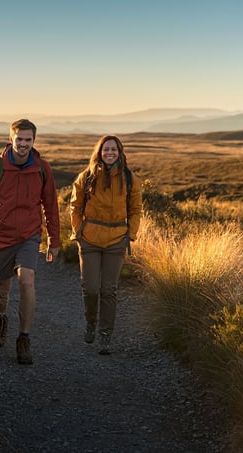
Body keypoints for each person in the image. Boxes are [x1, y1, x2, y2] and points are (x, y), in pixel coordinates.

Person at [0, 118, 60, 365]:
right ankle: (1, 319)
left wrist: (54, 240)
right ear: (11, 139)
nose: (23, 144)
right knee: (2, 287)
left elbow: (51, 207)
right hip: (1, 236)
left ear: (34, 141)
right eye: (19, 139)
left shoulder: (42, 168)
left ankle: (24, 338)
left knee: (26, 280)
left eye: (28, 140)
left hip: (30, 236)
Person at [69, 135, 143, 355]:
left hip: (116, 241)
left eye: (114, 149)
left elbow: (136, 209)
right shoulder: (87, 177)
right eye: (106, 149)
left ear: (120, 152)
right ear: (99, 152)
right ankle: (91, 322)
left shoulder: (130, 179)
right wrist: (79, 232)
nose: (109, 153)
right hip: (89, 240)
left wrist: (130, 235)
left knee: (109, 290)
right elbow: (75, 206)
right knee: (90, 289)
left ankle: (105, 335)